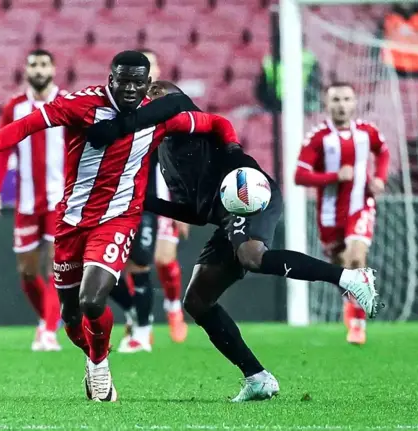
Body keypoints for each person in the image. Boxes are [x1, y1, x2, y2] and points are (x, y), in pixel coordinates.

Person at [0, 50, 240, 402]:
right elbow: (23, 126)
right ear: (110, 78)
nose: (129, 89)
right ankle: (93, 355)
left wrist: (233, 150)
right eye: (122, 81)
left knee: (92, 300)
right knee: (70, 315)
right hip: (70, 221)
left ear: (147, 84)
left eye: (137, 82)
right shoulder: (79, 105)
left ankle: (100, 366)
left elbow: (216, 124)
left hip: (118, 219)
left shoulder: (159, 117)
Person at [85, 80, 382, 401]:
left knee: (252, 255)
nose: (147, 100)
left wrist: (116, 126)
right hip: (224, 213)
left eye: (153, 94)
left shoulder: (186, 117)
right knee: (197, 301)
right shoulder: (165, 150)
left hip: (248, 192)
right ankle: (257, 377)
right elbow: (198, 214)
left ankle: (351, 277)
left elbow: (196, 114)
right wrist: (143, 200)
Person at [295, 82, 390, 345]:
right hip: (329, 214)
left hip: (361, 205)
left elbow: (383, 152)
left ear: (355, 103)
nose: (341, 105)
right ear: (327, 104)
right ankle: (351, 303)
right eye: (336, 99)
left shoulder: (367, 132)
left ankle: (357, 322)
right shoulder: (317, 137)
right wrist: (334, 176)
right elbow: (300, 176)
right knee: (341, 267)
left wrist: (380, 179)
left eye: (347, 99)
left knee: (356, 257)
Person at [0, 49, 65, 351]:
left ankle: (47, 330)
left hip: (61, 200)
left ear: (54, 69)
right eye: (33, 64)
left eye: (44, 63)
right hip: (27, 202)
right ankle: (48, 319)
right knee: (27, 273)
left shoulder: (67, 103)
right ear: (26, 70)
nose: (39, 69)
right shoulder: (15, 107)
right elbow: (4, 149)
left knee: (56, 268)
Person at [108, 48, 188, 354]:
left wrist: (182, 205)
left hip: (152, 201)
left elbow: (178, 159)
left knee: (151, 260)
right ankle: (137, 315)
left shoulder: (167, 110)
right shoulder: (116, 108)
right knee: (103, 267)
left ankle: (160, 316)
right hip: (113, 199)